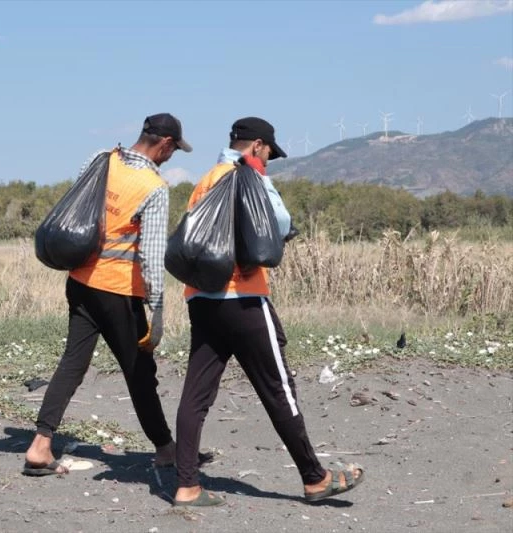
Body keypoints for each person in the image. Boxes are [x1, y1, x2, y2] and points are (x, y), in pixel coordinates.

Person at [172, 117, 365, 506]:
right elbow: (279, 224)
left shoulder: (207, 178)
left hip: (202, 300)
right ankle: (315, 478)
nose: (270, 161)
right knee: (279, 389)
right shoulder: (250, 175)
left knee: (195, 395)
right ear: (257, 145)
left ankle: (187, 485)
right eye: (269, 154)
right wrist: (265, 183)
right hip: (243, 299)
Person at [23, 113, 193, 476]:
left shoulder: (101, 159)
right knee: (139, 371)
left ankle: (40, 444)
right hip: (118, 291)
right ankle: (166, 449)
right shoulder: (153, 187)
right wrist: (158, 310)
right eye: (173, 150)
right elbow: (149, 256)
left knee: (73, 362)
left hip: (80, 281)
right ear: (164, 143)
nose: (171, 157)